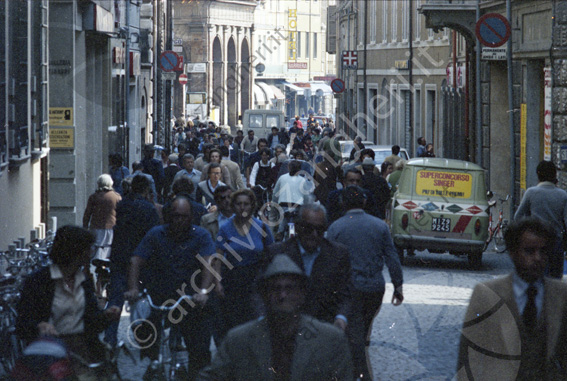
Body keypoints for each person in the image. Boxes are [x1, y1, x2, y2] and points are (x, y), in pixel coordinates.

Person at [198, 254, 353, 380]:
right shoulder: (239, 340)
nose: (282, 295)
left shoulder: (330, 339)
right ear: (264, 295)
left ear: (302, 294)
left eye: (290, 288)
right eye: (275, 289)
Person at [457, 217, 567, 380]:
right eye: (529, 251)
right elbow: (467, 357)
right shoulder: (487, 294)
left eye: (543, 251)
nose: (537, 258)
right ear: (513, 253)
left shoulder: (561, 295)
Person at [125, 195, 216, 378]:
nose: (179, 220)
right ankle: (151, 361)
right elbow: (136, 260)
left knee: (199, 349)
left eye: (183, 216)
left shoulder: (201, 235)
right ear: (169, 216)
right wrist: (134, 288)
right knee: (144, 330)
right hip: (160, 296)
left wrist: (203, 292)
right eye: (175, 215)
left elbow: (208, 264)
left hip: (191, 299)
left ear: (191, 217)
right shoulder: (156, 234)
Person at [16, 226, 121, 377]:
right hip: (49, 356)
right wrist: (39, 325)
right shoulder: (39, 281)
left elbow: (91, 323)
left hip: (81, 353)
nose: (91, 252)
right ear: (75, 251)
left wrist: (107, 316)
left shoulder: (83, 281)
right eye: (87, 248)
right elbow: (22, 324)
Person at [327, 186, 404, 380]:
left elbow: (327, 260)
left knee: (355, 335)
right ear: (363, 202)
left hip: (348, 290)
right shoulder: (379, 226)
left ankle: (359, 374)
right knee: (359, 332)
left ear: (342, 203)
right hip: (373, 288)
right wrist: (398, 285)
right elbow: (392, 257)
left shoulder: (336, 227)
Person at [265, 203, 352, 329]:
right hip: (284, 326)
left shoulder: (338, 254)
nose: (314, 234)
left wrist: (341, 318)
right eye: (308, 229)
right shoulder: (277, 252)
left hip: (324, 327)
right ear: (298, 227)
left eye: (320, 230)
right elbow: (261, 291)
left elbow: (347, 293)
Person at [104, 175, 160, 346]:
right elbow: (153, 235)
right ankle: (145, 337)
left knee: (115, 299)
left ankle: (110, 337)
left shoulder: (122, 205)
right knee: (147, 299)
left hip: (120, 257)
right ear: (146, 190)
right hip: (142, 259)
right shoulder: (148, 208)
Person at [213, 189, 274, 338]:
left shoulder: (262, 228)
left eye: (246, 204)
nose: (242, 207)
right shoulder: (225, 229)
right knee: (234, 325)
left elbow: (272, 255)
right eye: (239, 204)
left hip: (256, 280)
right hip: (233, 281)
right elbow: (218, 258)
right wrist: (217, 282)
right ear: (233, 206)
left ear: (252, 206)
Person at [514, 160, 567, 279]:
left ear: (538, 175)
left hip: (535, 242)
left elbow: (518, 217)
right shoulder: (563, 195)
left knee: (536, 279)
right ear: (554, 175)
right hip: (555, 243)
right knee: (554, 281)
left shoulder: (531, 193)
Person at [82, 174, 122, 261]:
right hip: (112, 228)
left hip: (96, 227)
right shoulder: (117, 197)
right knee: (109, 250)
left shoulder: (94, 197)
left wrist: (85, 227)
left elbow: (87, 214)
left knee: (96, 251)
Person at [272, 160, 314, 238]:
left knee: (280, 221)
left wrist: (274, 202)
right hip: (297, 207)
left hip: (283, 205)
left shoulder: (282, 178)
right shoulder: (302, 180)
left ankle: (278, 234)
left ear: (289, 168)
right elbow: (306, 197)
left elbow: (275, 193)